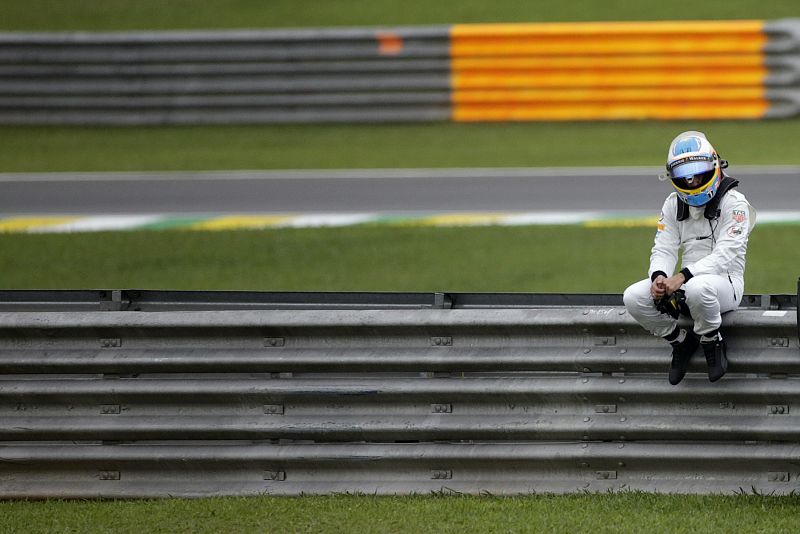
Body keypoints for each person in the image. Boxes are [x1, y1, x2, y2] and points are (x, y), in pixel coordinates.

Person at [623, 131, 756, 385]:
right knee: (633, 296)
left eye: (698, 173)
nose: (693, 181)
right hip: (685, 282)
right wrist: (659, 277)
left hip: (726, 283)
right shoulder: (673, 204)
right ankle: (680, 341)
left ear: (715, 165)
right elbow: (663, 247)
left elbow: (726, 254)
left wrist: (682, 277)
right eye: (685, 177)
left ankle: (711, 340)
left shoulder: (736, 203)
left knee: (697, 287)